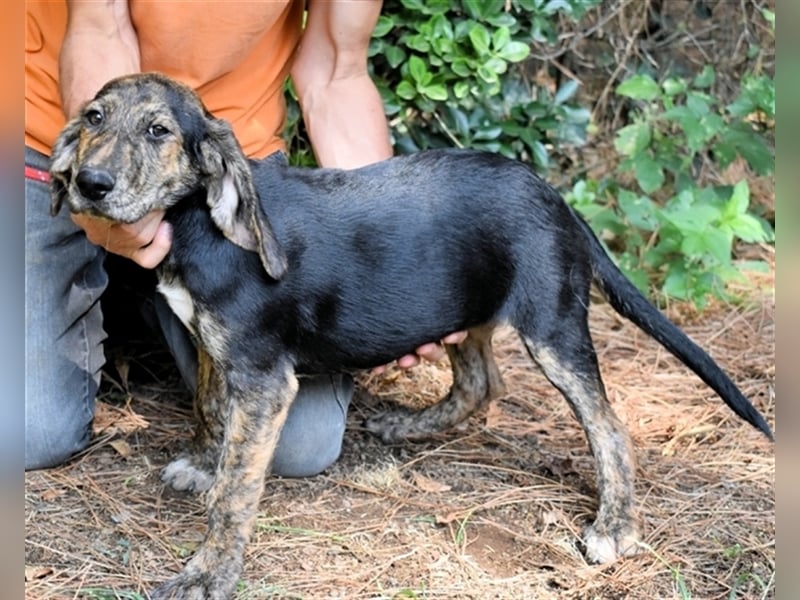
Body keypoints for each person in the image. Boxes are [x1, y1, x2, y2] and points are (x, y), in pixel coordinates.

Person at [25, 0, 466, 474]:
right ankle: (119, 304)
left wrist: (389, 261)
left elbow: (336, 73)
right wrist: (104, 184)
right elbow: (101, 26)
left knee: (297, 446)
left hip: (226, 161)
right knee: (26, 432)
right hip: (63, 144)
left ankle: (148, 307)